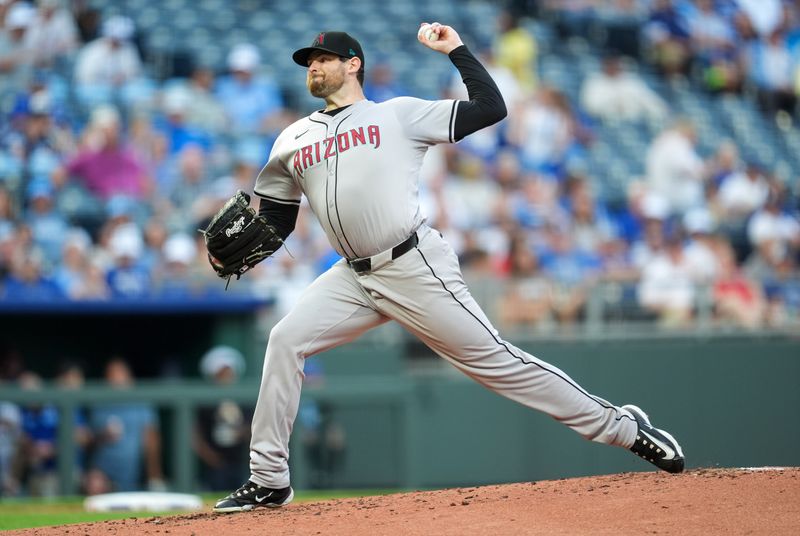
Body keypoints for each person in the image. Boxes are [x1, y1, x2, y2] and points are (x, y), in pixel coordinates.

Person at [212, 23, 685, 513]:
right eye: (308, 60)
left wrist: (456, 50)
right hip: (352, 276)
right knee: (286, 340)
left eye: (323, 58)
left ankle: (624, 428)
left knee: (498, 364)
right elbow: (276, 220)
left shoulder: (398, 115)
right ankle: (269, 479)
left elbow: (490, 107)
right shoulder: (291, 138)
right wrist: (233, 254)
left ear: (353, 64)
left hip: (412, 264)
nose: (313, 65)